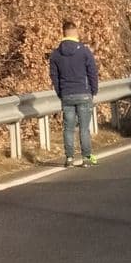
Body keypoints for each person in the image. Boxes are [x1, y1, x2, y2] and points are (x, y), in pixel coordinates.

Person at [49, 20, 99, 168]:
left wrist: (60, 92)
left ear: (63, 33)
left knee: (68, 128)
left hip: (67, 94)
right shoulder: (84, 51)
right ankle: (86, 158)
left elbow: (54, 76)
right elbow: (92, 72)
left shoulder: (56, 54)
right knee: (84, 128)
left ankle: (69, 158)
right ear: (75, 32)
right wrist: (93, 90)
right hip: (83, 93)